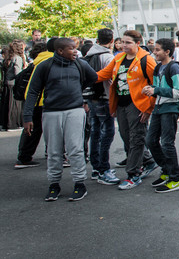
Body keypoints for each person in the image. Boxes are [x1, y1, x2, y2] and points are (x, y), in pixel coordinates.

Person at [23, 38, 98, 201]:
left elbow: (94, 77)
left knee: (76, 149)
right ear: (60, 51)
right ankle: (54, 184)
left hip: (75, 111)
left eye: (75, 48)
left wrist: (78, 89)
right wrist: (27, 116)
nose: (75, 51)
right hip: (51, 112)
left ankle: (80, 184)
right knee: (54, 151)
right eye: (71, 48)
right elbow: (33, 91)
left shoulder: (80, 64)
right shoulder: (45, 66)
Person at [95, 30, 159, 190]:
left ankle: (133, 174)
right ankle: (148, 161)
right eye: (122, 42)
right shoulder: (118, 58)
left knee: (136, 138)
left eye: (128, 42)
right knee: (127, 137)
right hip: (121, 104)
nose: (123, 45)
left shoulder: (146, 60)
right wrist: (79, 72)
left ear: (138, 43)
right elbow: (103, 74)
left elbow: (156, 85)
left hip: (138, 105)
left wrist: (148, 108)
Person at [142, 38, 179, 192]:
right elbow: (157, 87)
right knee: (150, 140)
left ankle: (175, 178)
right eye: (154, 49)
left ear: (167, 52)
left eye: (158, 50)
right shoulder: (158, 68)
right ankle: (166, 170)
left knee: (167, 143)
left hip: (170, 108)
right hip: (159, 108)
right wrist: (151, 89)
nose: (154, 52)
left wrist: (156, 90)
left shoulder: (174, 68)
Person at [83, 29, 121, 185]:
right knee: (107, 133)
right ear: (112, 40)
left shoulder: (88, 55)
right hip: (104, 98)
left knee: (95, 132)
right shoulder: (107, 57)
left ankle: (96, 168)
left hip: (91, 97)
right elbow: (112, 78)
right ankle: (103, 170)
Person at [14, 41, 51, 169]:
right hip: (42, 101)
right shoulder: (48, 61)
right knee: (37, 130)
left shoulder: (37, 61)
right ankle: (24, 157)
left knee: (31, 130)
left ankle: (24, 155)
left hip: (35, 101)